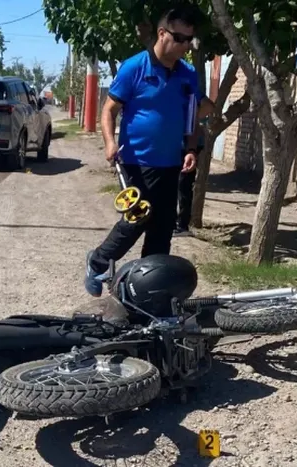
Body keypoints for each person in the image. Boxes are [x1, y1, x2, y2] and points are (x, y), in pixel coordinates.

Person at [84, 6, 215, 297]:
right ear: (162, 33)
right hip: (137, 160)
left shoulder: (188, 74)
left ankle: (147, 288)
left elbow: (192, 115)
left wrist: (191, 148)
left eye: (189, 40)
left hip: (171, 162)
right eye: (179, 38)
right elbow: (109, 109)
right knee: (139, 217)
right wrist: (109, 142)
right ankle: (98, 260)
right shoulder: (134, 67)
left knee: (163, 227)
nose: (184, 45)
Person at [174, 120, 207, 237]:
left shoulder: (194, 104)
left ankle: (182, 225)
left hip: (189, 145)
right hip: (180, 143)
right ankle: (175, 223)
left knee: (183, 184)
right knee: (177, 184)